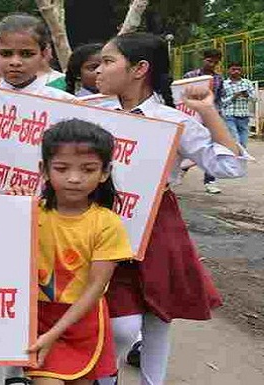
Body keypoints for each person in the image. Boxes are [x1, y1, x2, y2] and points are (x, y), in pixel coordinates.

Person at [94, 32, 247, 385]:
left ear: (139, 69)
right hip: (102, 222)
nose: (98, 71)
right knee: (120, 323)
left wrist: (207, 110)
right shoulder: (91, 112)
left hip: (157, 222)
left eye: (107, 61)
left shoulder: (173, 121)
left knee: (158, 314)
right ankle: (106, 376)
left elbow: (230, 167)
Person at [9, 119, 133, 384]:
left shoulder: (107, 223)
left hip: (83, 322)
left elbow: (95, 288)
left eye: (88, 169)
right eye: (62, 168)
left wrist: (54, 334)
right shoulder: (30, 212)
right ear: (44, 170)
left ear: (105, 172)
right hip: (38, 318)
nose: (74, 178)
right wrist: (12, 209)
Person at [183, 48, 225, 194]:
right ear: (203, 60)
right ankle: (180, 172)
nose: (212, 64)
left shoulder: (219, 79)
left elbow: (218, 99)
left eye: (215, 62)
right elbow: (181, 96)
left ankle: (210, 181)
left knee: (212, 150)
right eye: (209, 61)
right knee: (187, 147)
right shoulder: (191, 76)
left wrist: (216, 117)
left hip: (209, 119)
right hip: (192, 117)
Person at [222, 62, 257, 148]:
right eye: (233, 69)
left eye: (239, 69)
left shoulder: (247, 83)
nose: (236, 71)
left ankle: (241, 158)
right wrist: (234, 97)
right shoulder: (223, 84)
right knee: (235, 139)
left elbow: (255, 99)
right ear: (228, 71)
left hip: (243, 115)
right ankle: (237, 157)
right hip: (229, 115)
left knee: (243, 142)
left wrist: (247, 95)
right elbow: (221, 102)